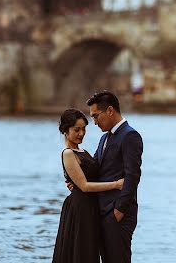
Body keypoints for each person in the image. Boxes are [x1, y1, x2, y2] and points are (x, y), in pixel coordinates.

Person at [52, 108, 124, 263]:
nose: (81, 133)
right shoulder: (68, 153)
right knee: (81, 250)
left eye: (84, 129)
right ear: (65, 130)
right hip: (80, 208)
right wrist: (116, 184)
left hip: (90, 206)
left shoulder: (82, 150)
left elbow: (90, 176)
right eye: (76, 130)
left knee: (89, 250)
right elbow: (84, 186)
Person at [87, 91, 143, 263]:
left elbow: (133, 175)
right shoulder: (104, 138)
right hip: (103, 211)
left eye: (96, 116)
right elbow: (95, 168)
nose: (94, 122)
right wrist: (75, 180)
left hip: (118, 213)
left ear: (110, 110)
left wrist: (119, 210)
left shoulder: (130, 135)